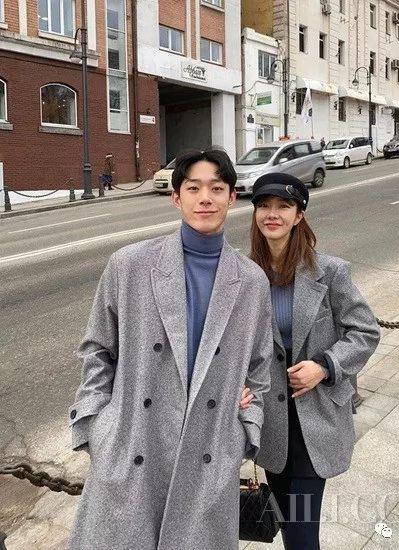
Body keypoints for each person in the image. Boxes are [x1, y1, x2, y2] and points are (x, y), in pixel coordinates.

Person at [67, 149, 273, 550]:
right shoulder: (129, 265)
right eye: (193, 188)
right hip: (133, 446)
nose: (205, 198)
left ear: (233, 198)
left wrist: (245, 426)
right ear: (176, 198)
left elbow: (259, 366)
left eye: (217, 188)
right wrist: (97, 425)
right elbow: (97, 349)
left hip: (208, 452)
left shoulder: (251, 281)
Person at [251, 173, 380, 550]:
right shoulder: (247, 275)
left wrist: (324, 366)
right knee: (287, 525)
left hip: (316, 418)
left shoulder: (330, 271)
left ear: (299, 215)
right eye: (264, 206)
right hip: (271, 422)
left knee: (302, 532)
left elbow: (365, 331)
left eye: (283, 206)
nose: (272, 214)